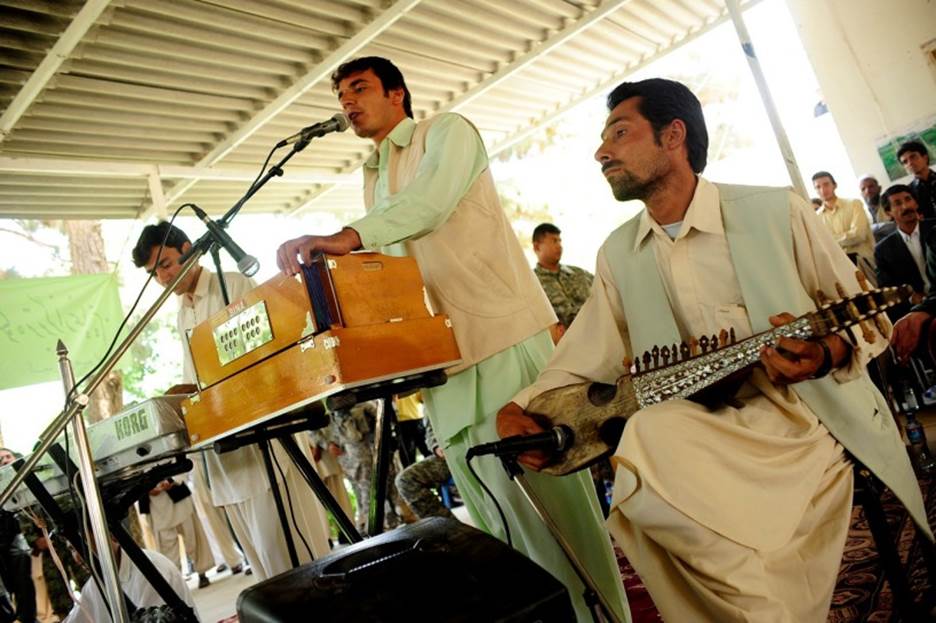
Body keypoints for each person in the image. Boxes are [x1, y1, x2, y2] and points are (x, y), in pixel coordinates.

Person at [497, 78, 930, 622]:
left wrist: (826, 356)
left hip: (802, 424)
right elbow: (586, 354)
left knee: (654, 468)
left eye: (620, 133)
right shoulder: (618, 254)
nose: (601, 151)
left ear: (673, 135)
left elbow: (868, 317)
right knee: (651, 443)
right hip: (693, 430)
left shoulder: (778, 211)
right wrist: (521, 406)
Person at [275, 56, 628, 622]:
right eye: (341, 94)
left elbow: (429, 203)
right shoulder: (372, 175)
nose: (347, 102)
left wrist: (345, 236)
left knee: (556, 517)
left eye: (359, 88)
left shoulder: (447, 132)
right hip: (443, 363)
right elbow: (393, 266)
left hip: (503, 339)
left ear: (398, 94)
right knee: (496, 527)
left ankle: (605, 617)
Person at [132, 223, 330, 581]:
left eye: (165, 264)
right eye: (154, 272)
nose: (162, 277)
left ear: (189, 249)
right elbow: (199, 378)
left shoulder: (233, 284)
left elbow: (264, 354)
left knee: (298, 563)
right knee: (267, 575)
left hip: (265, 444)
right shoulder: (182, 314)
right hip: (226, 461)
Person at [62, 545, 197, 623]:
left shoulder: (150, 569)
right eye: (72, 550)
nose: (77, 558)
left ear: (110, 536)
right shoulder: (95, 583)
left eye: (80, 546)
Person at [137, 478, 213, 588]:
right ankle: (174, 582)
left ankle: (202, 573)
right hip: (154, 505)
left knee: (192, 538)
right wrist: (145, 489)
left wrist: (171, 480)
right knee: (166, 548)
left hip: (178, 496)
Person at [874, 183, 934, 319]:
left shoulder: (934, 228)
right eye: (897, 203)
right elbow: (887, 291)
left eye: (908, 199)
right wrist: (912, 299)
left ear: (916, 203)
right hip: (918, 311)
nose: (905, 207)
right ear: (889, 212)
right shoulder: (883, 250)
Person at [532, 223, 594, 341]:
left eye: (560, 241)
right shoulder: (531, 283)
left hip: (598, 338)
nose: (559, 246)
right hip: (564, 349)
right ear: (537, 247)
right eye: (554, 241)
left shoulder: (579, 273)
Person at [0, 448, 36, 623]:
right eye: (1, 459)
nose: (5, 461)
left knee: (24, 584)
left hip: (14, 540)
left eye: (8, 457)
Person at [813, 170, 875, 266]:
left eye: (826, 184)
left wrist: (830, 240)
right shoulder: (816, 217)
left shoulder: (854, 204)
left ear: (834, 185)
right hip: (839, 266)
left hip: (863, 261)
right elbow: (821, 245)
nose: (823, 190)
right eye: (818, 187)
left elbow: (859, 235)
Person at [395, 421, 454, 520]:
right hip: (449, 455)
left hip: (479, 446)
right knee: (405, 480)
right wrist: (436, 446)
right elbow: (430, 432)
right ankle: (448, 528)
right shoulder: (431, 407)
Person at [898, 140, 936, 219]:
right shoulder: (908, 192)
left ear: (925, 158)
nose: (910, 163)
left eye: (913, 157)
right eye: (905, 162)